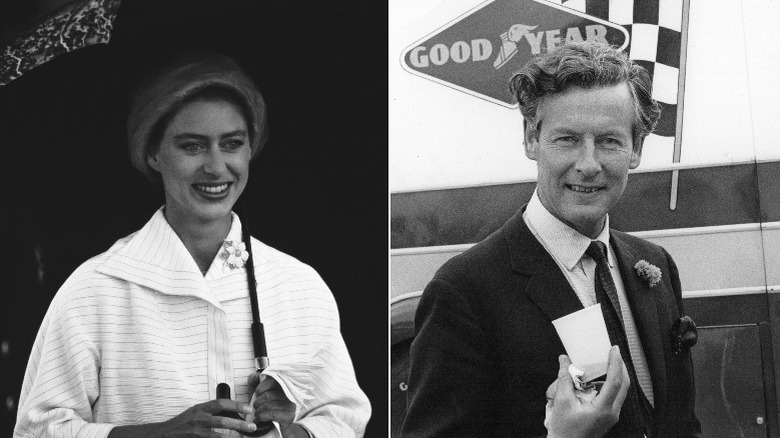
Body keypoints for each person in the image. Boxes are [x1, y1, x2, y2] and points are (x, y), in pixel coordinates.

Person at [13, 50, 371, 438]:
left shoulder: (299, 287)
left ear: (251, 149)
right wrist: (162, 434)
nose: (216, 167)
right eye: (192, 146)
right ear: (152, 153)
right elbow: (39, 429)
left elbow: (343, 419)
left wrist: (287, 434)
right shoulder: (95, 289)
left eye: (232, 144)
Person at [401, 42, 700, 437]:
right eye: (567, 139)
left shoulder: (655, 264)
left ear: (637, 149)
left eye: (609, 141)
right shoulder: (464, 291)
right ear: (531, 140)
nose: (589, 164)